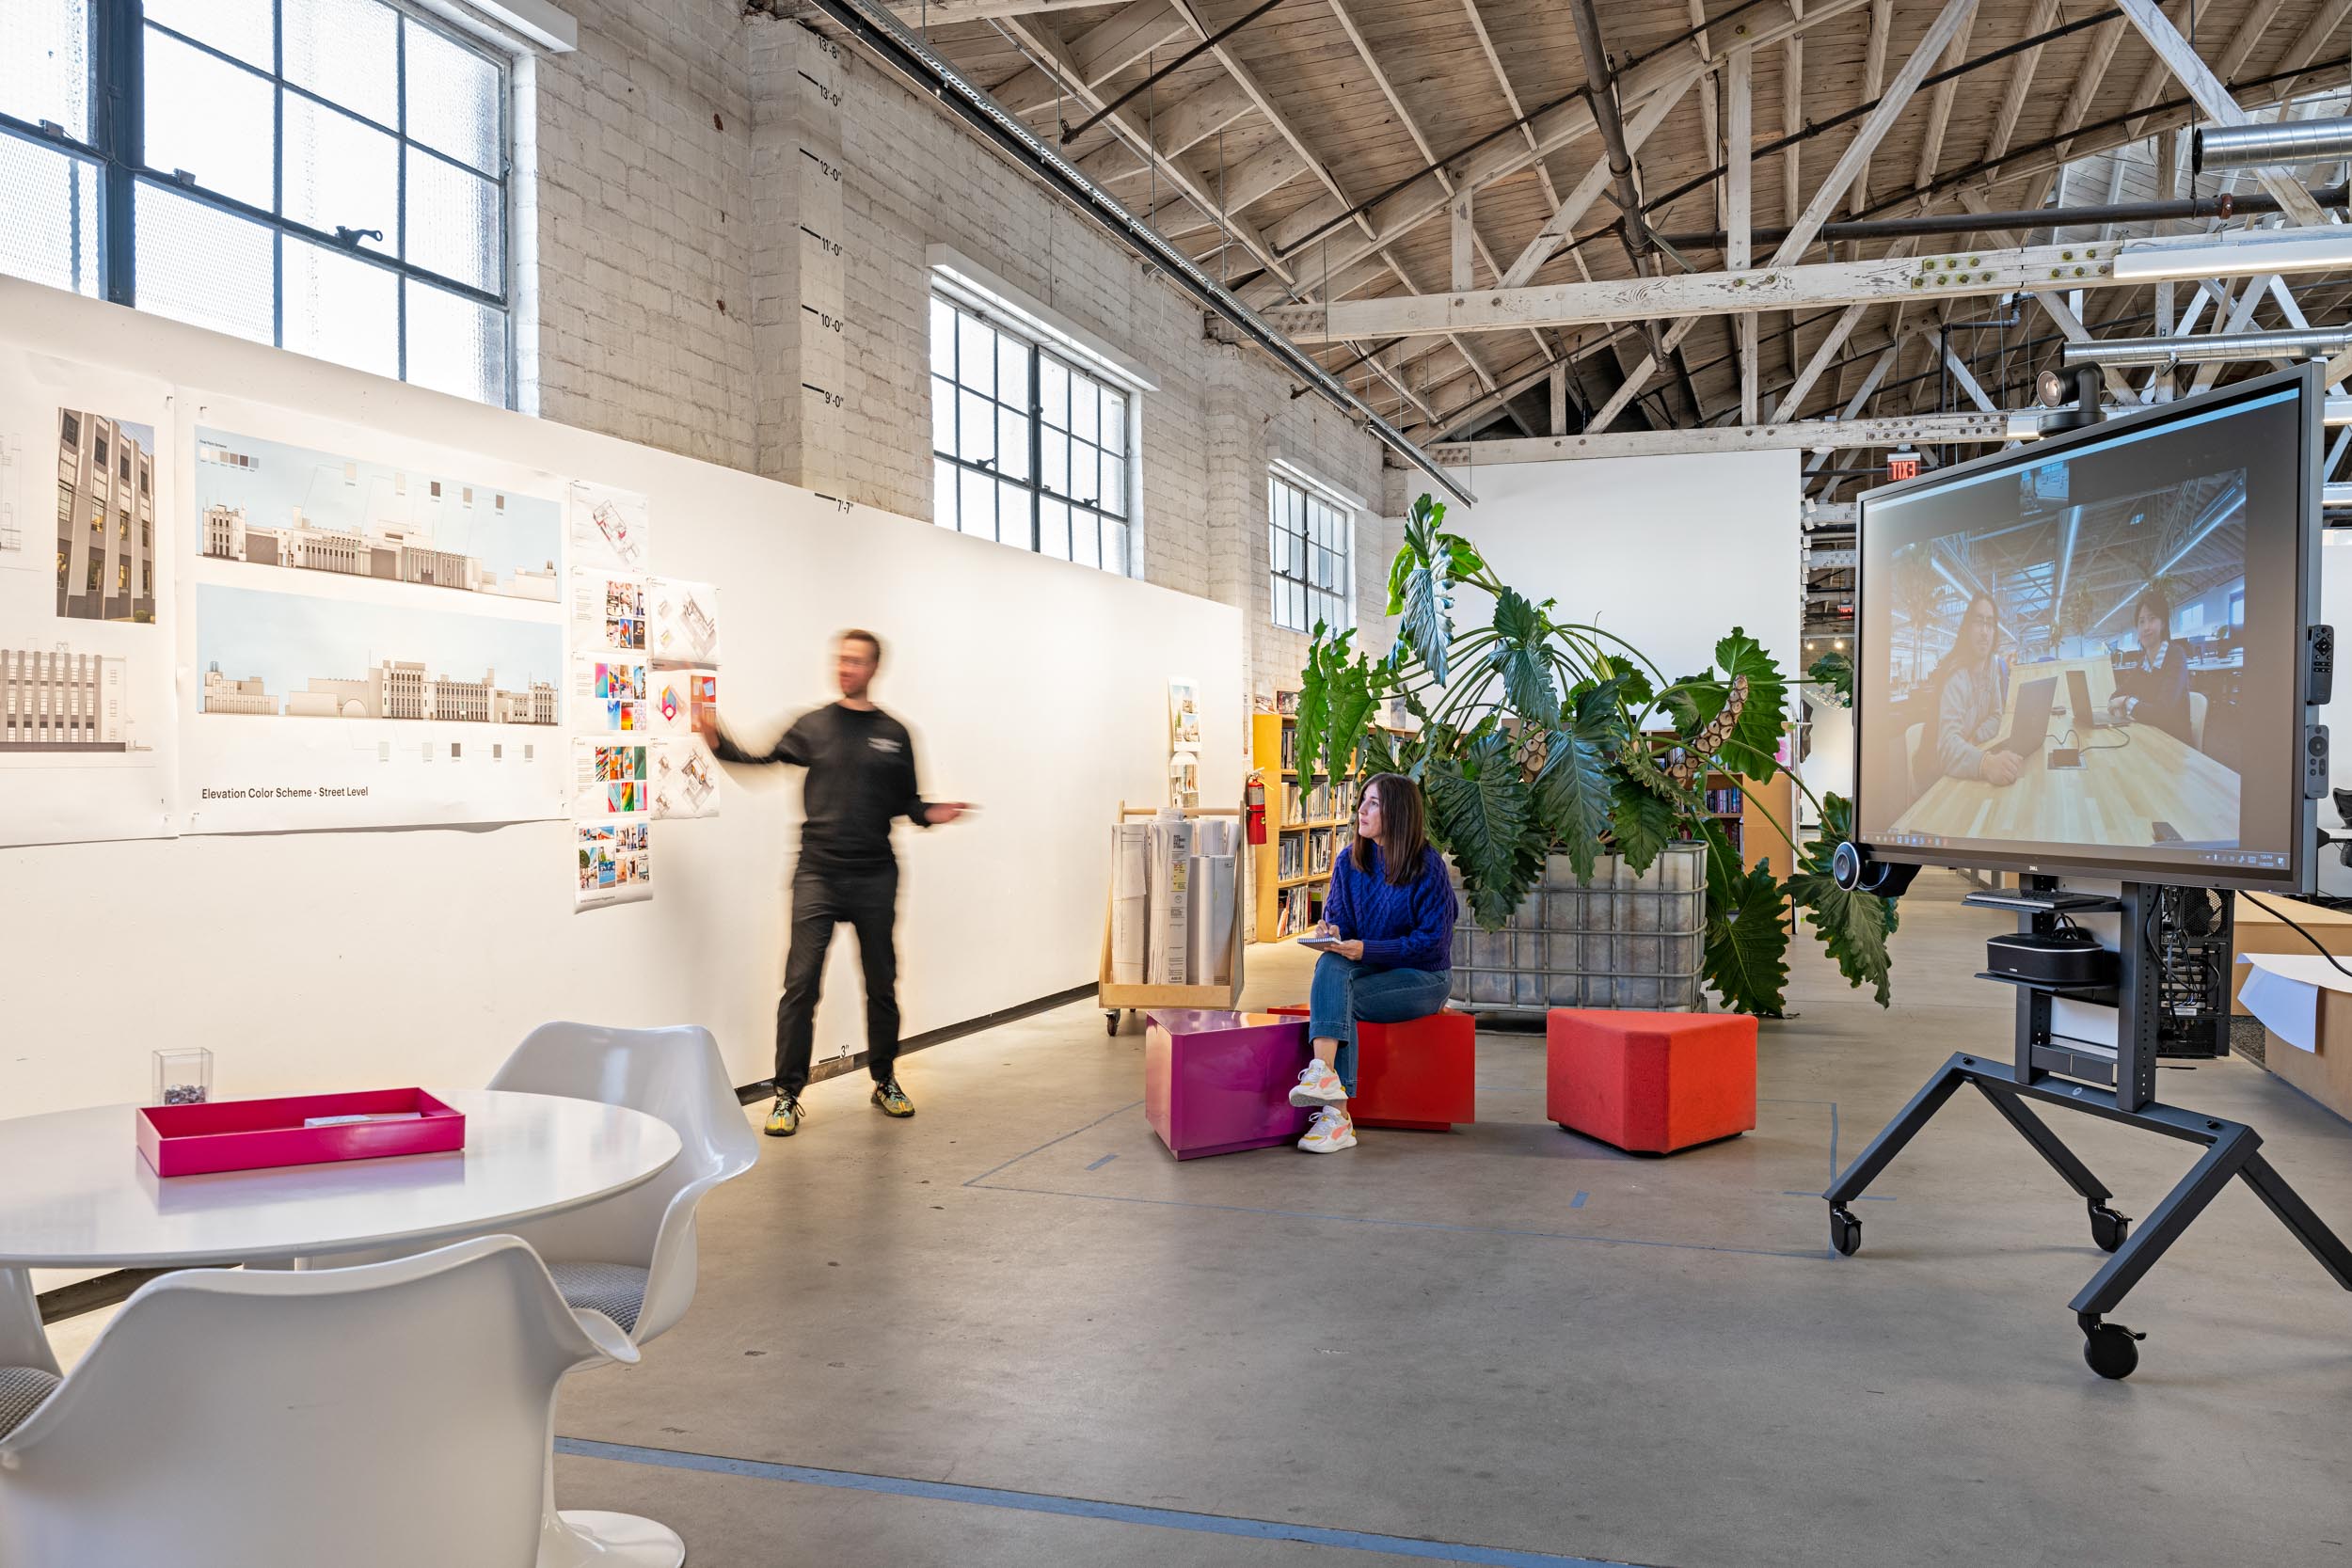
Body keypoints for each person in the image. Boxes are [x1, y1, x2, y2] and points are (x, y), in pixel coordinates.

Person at [700, 630, 966, 1136]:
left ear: (873, 668)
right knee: (800, 986)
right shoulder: (815, 725)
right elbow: (761, 759)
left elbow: (907, 803)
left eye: (856, 661)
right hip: (817, 874)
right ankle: (786, 1094)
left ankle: (885, 1079)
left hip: (874, 875)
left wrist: (933, 812)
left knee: (882, 983)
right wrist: (717, 742)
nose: (845, 667)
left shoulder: (895, 733)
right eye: (841, 659)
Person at [1288, 773, 1456, 1153]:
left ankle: (1335, 1111)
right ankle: (1327, 1085)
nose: (1361, 809)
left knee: (1337, 998)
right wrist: (1330, 930)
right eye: (1362, 800)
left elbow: (1432, 944)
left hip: (1424, 979)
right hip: (1372, 972)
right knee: (1330, 967)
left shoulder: (1427, 866)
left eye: (1374, 802)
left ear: (1397, 812)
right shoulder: (1350, 861)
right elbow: (1342, 923)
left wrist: (1367, 951)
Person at [1931, 591, 2023, 787]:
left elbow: (1996, 715)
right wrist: (1986, 764)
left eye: (1989, 624)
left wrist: (1974, 739)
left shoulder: (1992, 666)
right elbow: (1947, 747)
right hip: (1935, 778)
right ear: (1967, 628)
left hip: (1965, 761)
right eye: (1979, 622)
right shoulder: (1956, 675)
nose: (1984, 631)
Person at [2107, 588, 2193, 742]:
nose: (2146, 627)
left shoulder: (2176, 657)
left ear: (2163, 624)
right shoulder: (2142, 665)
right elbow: (2115, 697)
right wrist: (2120, 708)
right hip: (2151, 738)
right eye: (2141, 622)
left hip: (2176, 745)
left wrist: (2126, 702)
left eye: (2152, 619)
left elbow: (2162, 713)